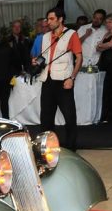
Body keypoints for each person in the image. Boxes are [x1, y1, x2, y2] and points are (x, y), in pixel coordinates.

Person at [33, 8, 82, 151]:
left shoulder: (71, 34)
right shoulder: (45, 37)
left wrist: (72, 78)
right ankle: (47, 146)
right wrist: (36, 61)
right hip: (47, 79)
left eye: (52, 19)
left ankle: (71, 147)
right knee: (46, 117)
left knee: (69, 116)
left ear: (60, 19)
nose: (48, 22)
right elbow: (45, 57)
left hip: (63, 80)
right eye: (47, 19)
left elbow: (79, 58)